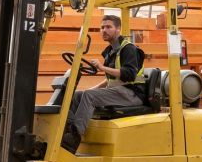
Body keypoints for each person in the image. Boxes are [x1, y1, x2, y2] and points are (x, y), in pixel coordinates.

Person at [61, 14, 146, 153]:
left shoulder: (128, 49)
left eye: (108, 27)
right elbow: (110, 79)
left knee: (89, 96)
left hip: (132, 94)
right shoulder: (110, 51)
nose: (104, 30)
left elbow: (129, 75)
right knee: (77, 95)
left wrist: (102, 67)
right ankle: (68, 131)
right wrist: (90, 89)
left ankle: (74, 138)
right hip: (119, 91)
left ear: (118, 29)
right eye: (102, 27)